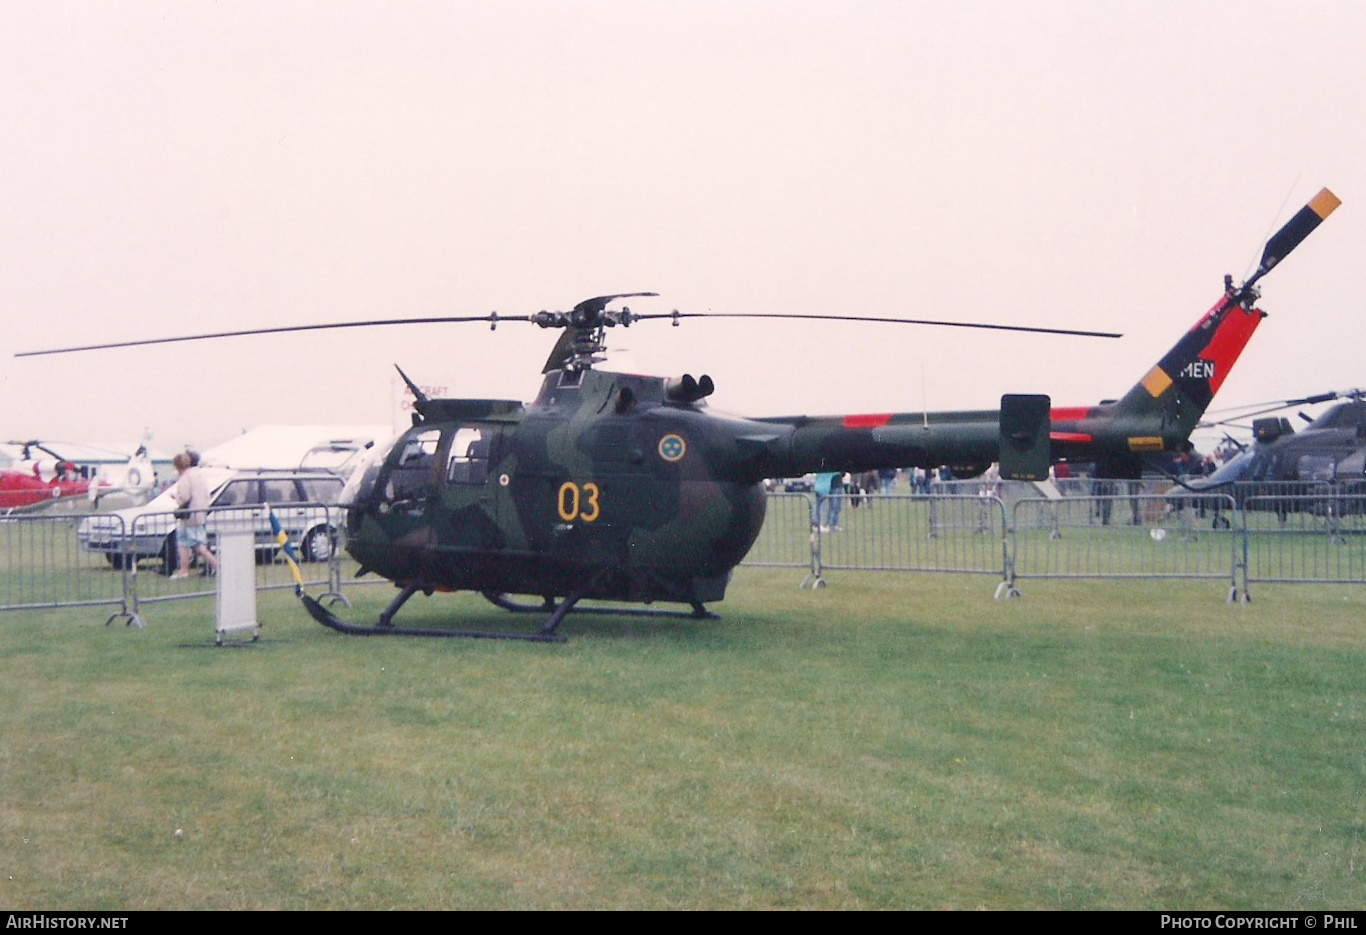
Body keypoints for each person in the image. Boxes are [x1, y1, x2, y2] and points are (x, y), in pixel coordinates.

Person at [170, 451, 217, 578]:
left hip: (189, 515)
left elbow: (185, 497)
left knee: (196, 544)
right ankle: (184, 570)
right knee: (185, 542)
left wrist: (177, 497)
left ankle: (216, 565)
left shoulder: (185, 477)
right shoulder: (200, 475)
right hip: (199, 513)